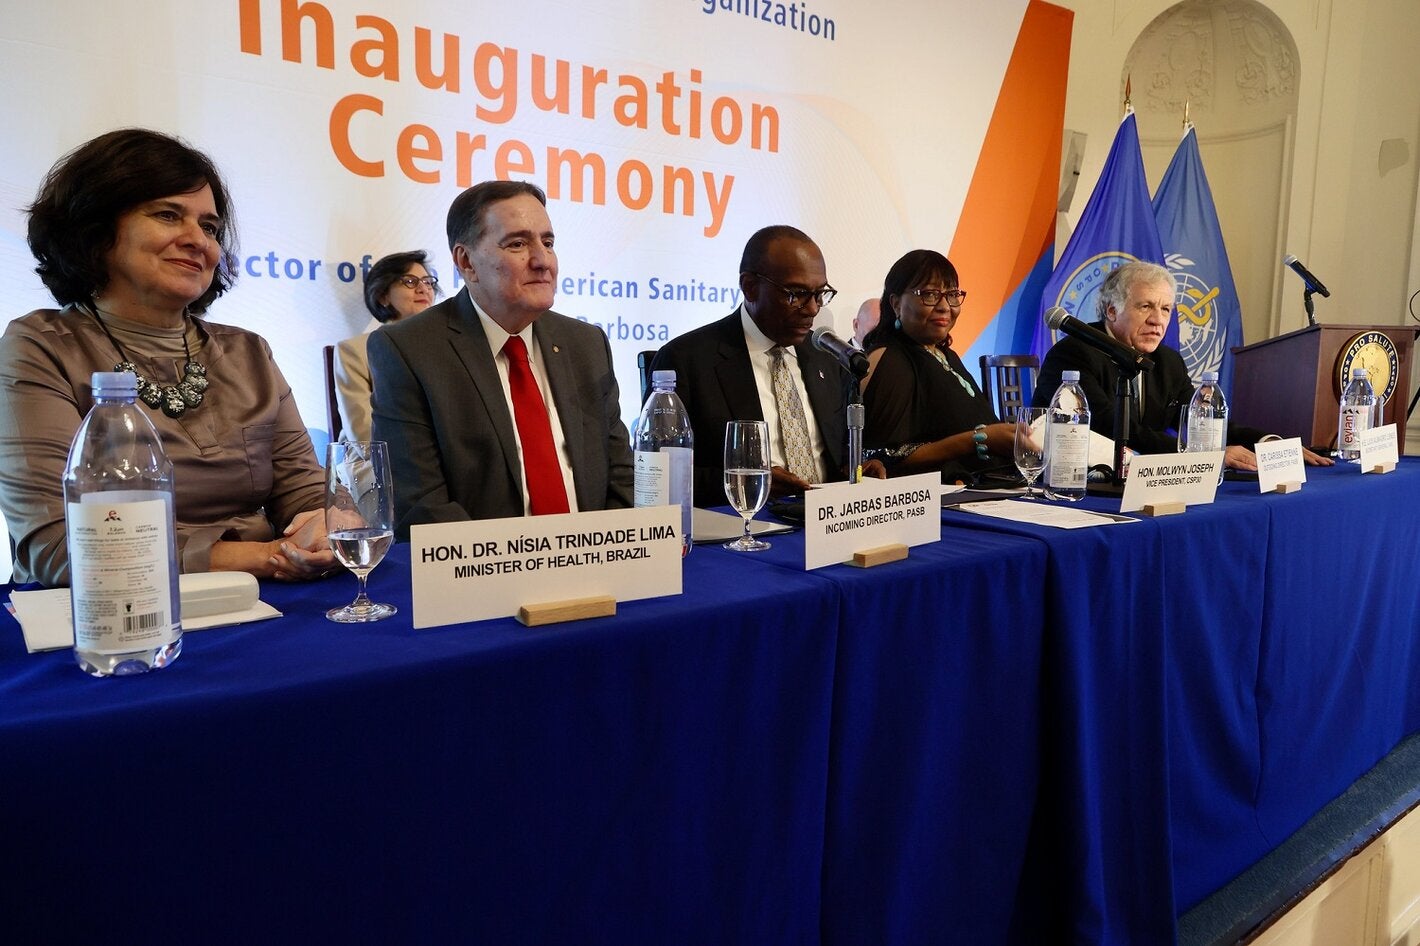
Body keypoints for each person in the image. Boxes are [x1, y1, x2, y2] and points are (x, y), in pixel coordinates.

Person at [0, 128, 334, 587]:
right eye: (168, 215)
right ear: (96, 229)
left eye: (210, 227)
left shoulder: (248, 350)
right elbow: (58, 548)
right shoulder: (41, 345)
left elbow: (306, 492)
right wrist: (265, 555)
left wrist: (326, 528)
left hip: (262, 599)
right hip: (109, 620)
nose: (198, 240)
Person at [368, 180, 632, 535]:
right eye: (518, 244)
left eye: (548, 242)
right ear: (467, 262)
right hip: (482, 575)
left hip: (595, 567)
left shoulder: (586, 343)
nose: (542, 261)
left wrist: (607, 556)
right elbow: (420, 504)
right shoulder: (408, 349)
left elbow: (621, 477)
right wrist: (521, 570)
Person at [650, 225, 882, 506]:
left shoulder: (825, 356)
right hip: (740, 528)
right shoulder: (686, 360)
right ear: (749, 287)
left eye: (820, 293)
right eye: (796, 294)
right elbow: (659, 476)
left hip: (827, 523)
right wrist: (747, 482)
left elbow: (836, 453)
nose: (812, 309)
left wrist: (857, 467)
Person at [1033, 261, 1332, 469]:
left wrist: (1267, 443)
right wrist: (1207, 456)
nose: (1158, 320)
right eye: (1146, 306)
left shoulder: (1167, 361)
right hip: (1072, 482)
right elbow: (1113, 429)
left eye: (1165, 309)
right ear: (1112, 310)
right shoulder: (1074, 353)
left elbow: (1200, 420)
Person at [859, 249, 1017, 482]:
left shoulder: (946, 355)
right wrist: (979, 438)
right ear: (896, 304)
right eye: (930, 294)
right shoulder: (889, 358)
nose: (945, 306)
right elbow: (882, 457)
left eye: (952, 294)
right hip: (930, 506)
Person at [333, 251, 439, 442]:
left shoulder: (446, 346)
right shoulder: (354, 351)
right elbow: (364, 435)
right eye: (410, 281)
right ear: (383, 296)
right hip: (379, 462)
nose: (423, 289)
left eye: (427, 281)